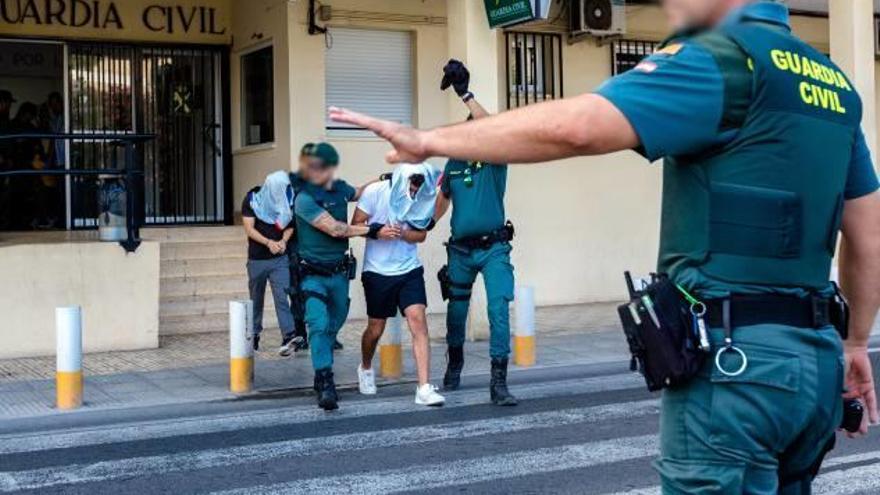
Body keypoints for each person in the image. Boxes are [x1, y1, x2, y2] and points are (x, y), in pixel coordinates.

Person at [329, 0, 880, 491]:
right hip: (816, 364)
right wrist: (855, 344)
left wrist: (427, 139)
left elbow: (579, 126)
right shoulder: (833, 85)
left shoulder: (721, 58)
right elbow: (868, 235)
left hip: (734, 370)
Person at [430, 60, 518, 406]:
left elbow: (495, 128)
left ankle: (499, 381)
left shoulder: (496, 157)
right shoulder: (453, 163)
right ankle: (455, 363)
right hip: (460, 252)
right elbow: (443, 200)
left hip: (494, 248)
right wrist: (424, 225)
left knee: (498, 308)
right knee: (456, 314)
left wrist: (465, 93)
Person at [293, 142, 380, 410]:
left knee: (337, 319)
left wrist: (386, 179)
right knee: (318, 324)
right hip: (313, 274)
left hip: (340, 273)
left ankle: (322, 364)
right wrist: (369, 230)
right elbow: (334, 229)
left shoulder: (339, 188)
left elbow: (360, 192)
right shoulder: (304, 199)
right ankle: (325, 380)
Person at [353, 163, 446, 407]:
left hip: (409, 269)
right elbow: (355, 225)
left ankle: (424, 388)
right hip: (377, 271)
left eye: (419, 187)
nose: (415, 192)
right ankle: (365, 367)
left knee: (418, 319)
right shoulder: (375, 191)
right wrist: (378, 232)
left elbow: (422, 235)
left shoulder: (422, 197)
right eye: (412, 186)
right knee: (375, 328)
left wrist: (404, 234)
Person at [242, 171, 301, 356]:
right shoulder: (252, 199)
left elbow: (290, 225)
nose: (284, 190)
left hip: (279, 260)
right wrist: (269, 243)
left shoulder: (287, 200)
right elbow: (249, 229)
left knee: (283, 297)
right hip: (257, 259)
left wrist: (283, 241)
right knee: (256, 300)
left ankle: (288, 336)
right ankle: (254, 335)